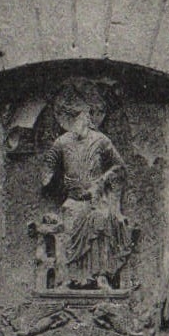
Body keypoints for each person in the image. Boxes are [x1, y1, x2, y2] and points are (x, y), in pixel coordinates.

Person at [41, 107, 134, 288]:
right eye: (72, 117)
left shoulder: (101, 141)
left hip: (96, 200)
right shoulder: (61, 142)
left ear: (88, 117)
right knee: (70, 221)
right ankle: (67, 279)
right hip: (73, 199)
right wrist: (51, 178)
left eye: (81, 116)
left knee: (103, 219)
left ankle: (101, 277)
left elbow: (119, 166)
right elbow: (48, 166)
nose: (77, 121)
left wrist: (100, 182)